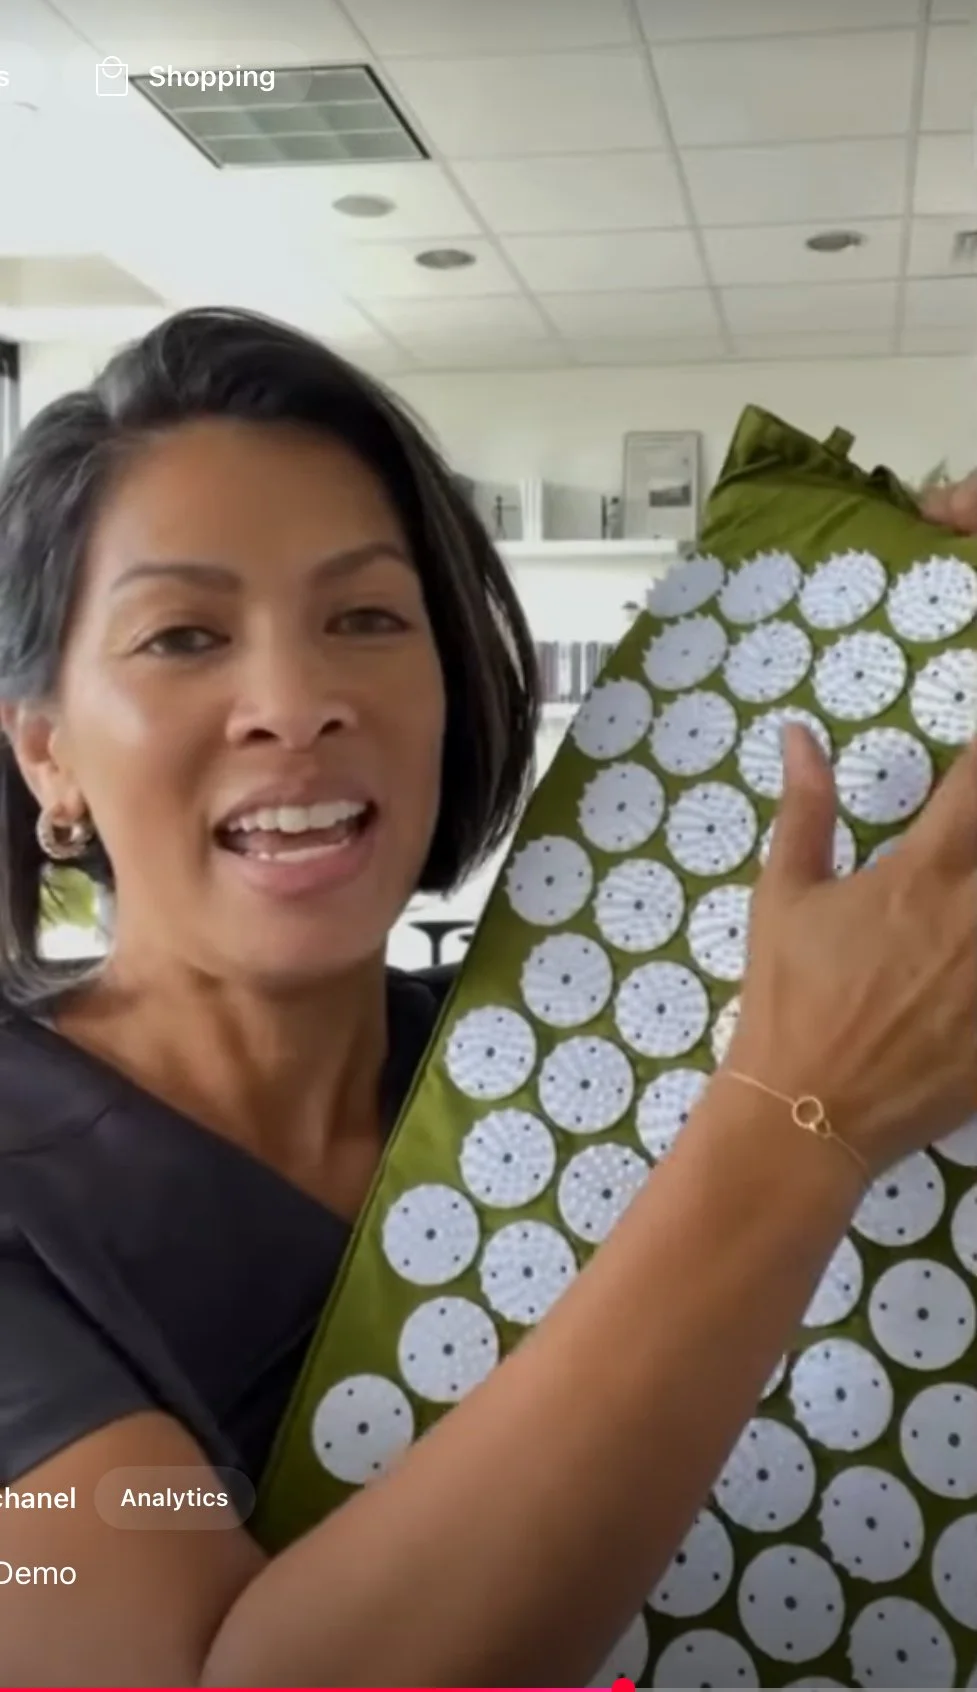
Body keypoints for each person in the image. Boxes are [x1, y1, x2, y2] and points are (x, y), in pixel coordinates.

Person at [0, 307, 973, 1689]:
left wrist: (922, 636)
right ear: (48, 754)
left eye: (366, 616)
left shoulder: (588, 1037)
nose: (297, 697)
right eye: (182, 637)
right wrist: (793, 1129)